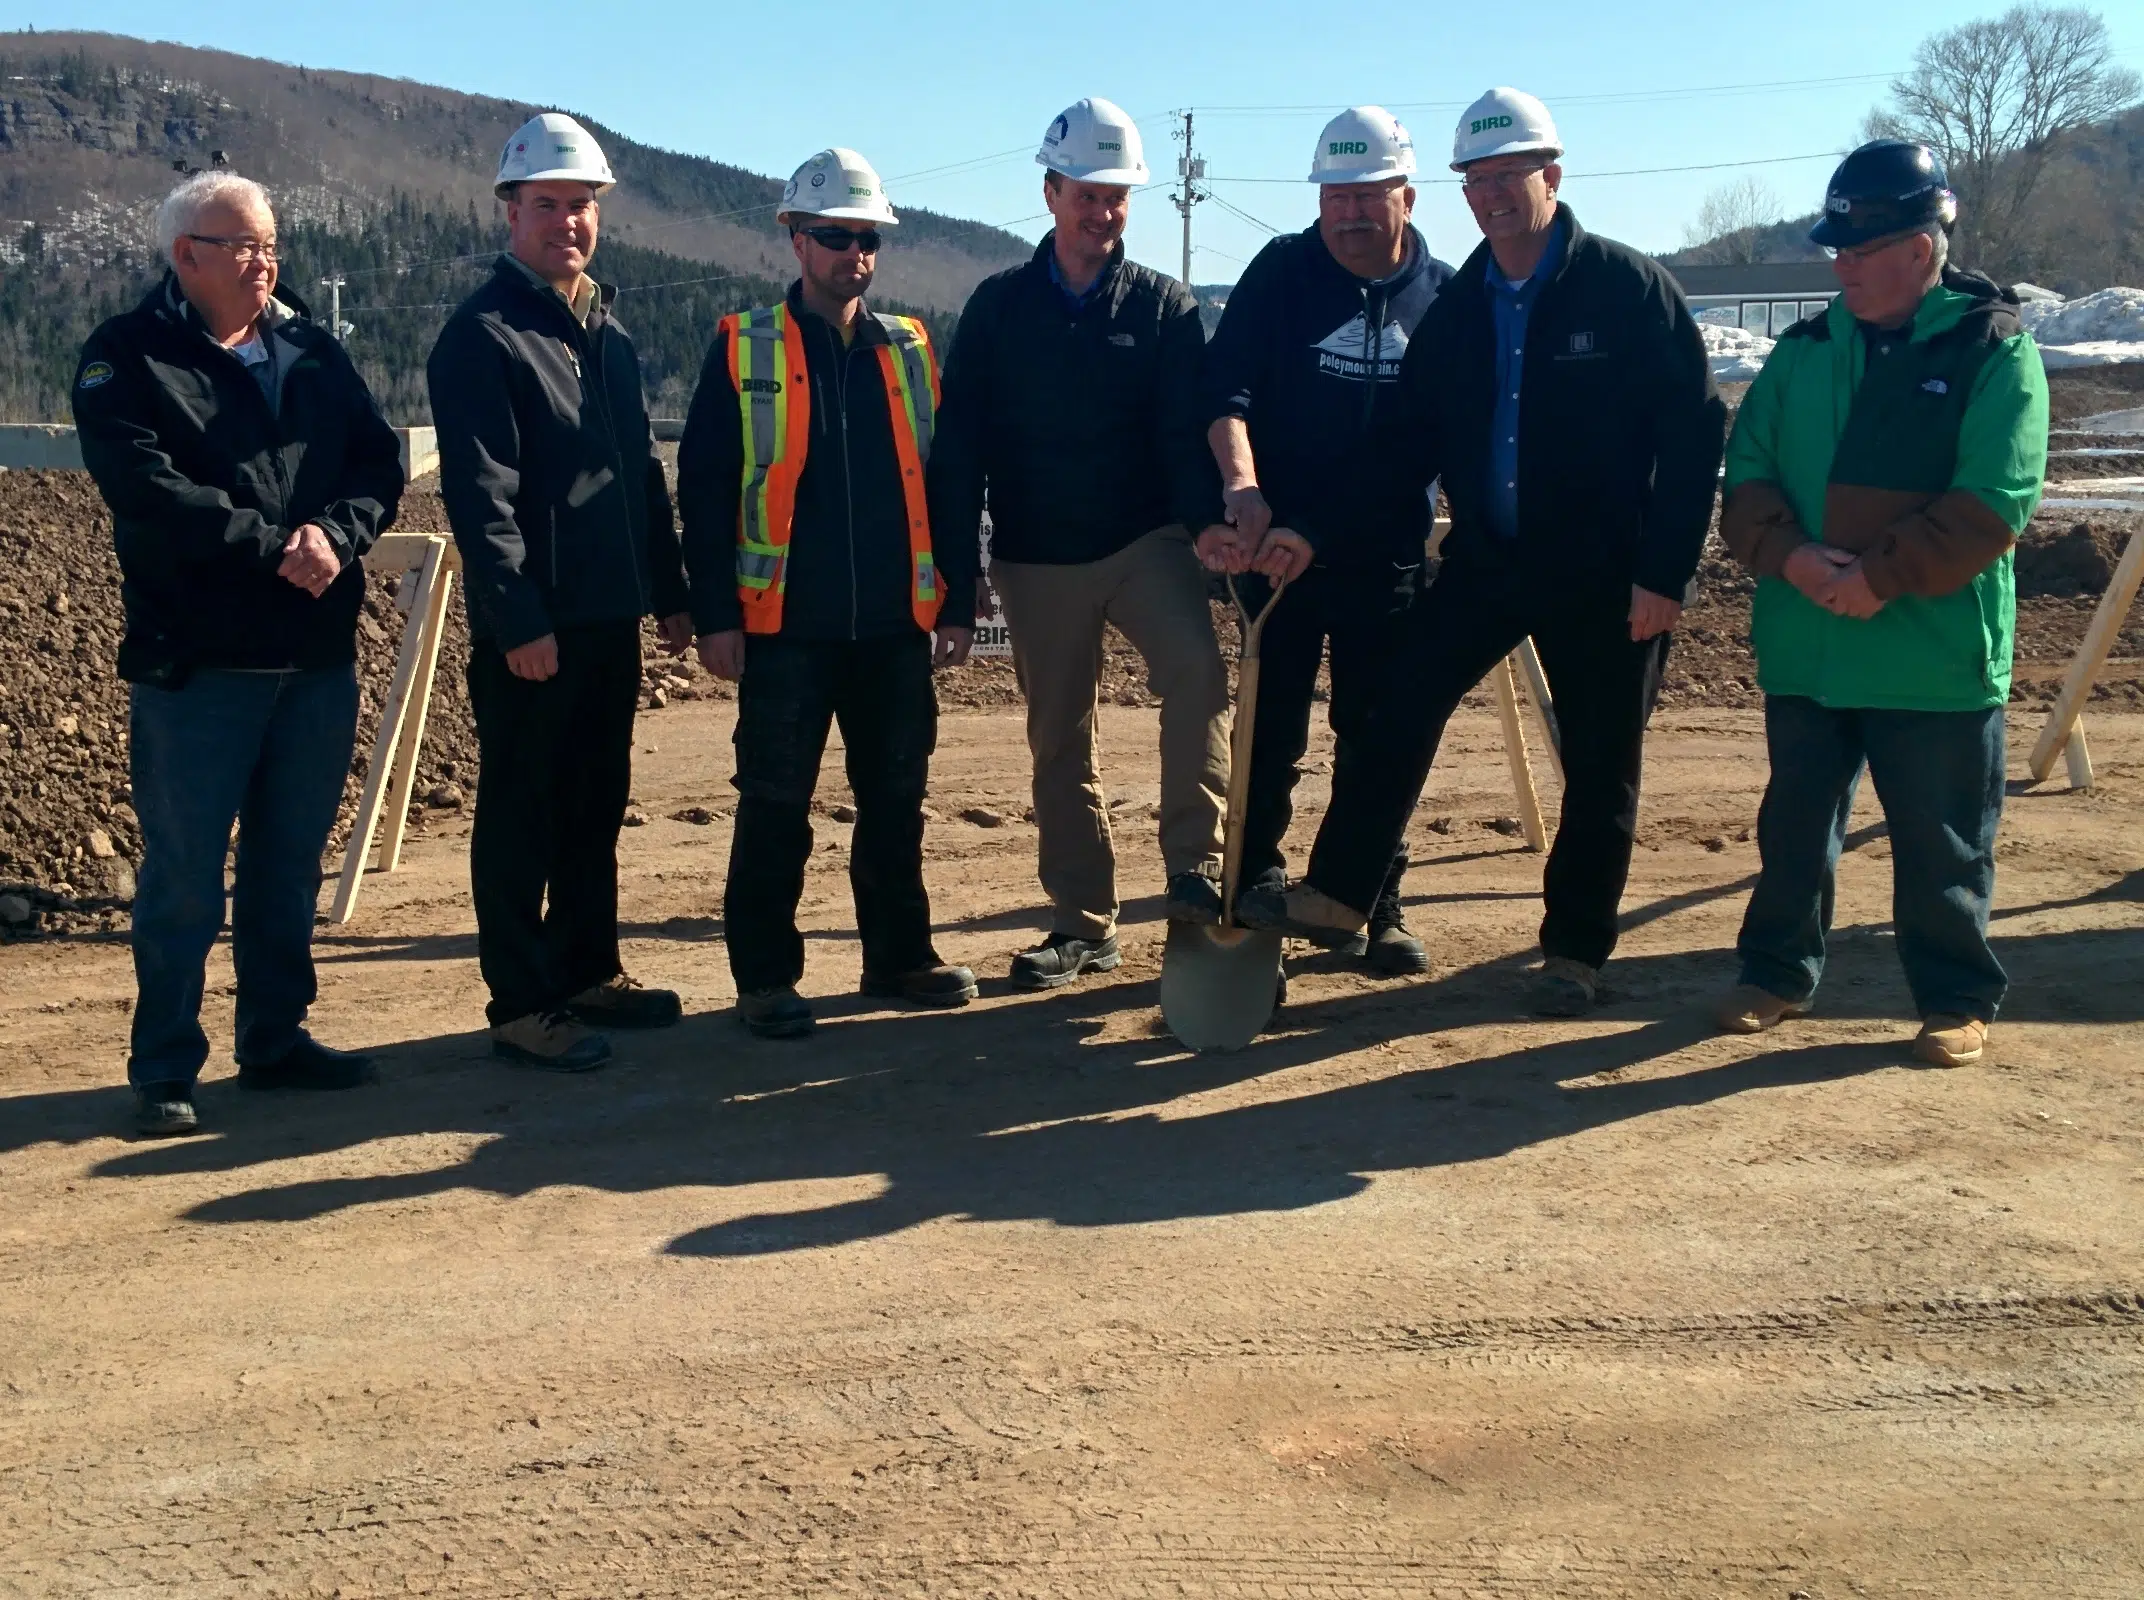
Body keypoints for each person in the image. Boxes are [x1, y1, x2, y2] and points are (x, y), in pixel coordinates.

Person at [1238, 87, 1726, 1017]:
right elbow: (1402, 449)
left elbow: (1696, 430)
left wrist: (1666, 572)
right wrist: (1311, 529)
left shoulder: (1625, 290)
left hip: (1605, 572)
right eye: (1478, 178)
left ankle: (1575, 951)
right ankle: (1344, 892)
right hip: (1491, 563)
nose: (1493, 194)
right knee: (1397, 703)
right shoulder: (1461, 307)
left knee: (1598, 764)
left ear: (1552, 175)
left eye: (1510, 175)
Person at [72, 171, 405, 1136]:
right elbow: (147, 489)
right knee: (183, 875)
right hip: (201, 664)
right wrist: (278, 548)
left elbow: (374, 461)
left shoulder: (309, 348)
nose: (266, 263)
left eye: (272, 246)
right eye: (246, 246)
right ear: (189, 256)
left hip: (313, 656)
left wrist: (337, 537)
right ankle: (166, 1063)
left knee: (287, 862)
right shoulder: (127, 358)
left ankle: (276, 1038)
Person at [1712, 142, 2047, 1068]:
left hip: (1930, 652)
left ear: (1924, 243)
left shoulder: (1994, 348)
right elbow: (1747, 476)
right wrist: (1791, 558)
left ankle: (1956, 996)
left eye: (1862, 248)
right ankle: (1776, 973)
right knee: (1794, 828)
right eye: (1838, 249)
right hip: (1810, 643)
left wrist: (1875, 577)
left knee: (1942, 841)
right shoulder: (1806, 351)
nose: (1842, 264)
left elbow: (1996, 499)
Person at [677, 148, 979, 1040]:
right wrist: (717, 615)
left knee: (895, 801)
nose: (856, 253)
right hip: (783, 629)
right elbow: (703, 486)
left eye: (867, 238)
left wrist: (957, 602)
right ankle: (765, 979)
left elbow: (949, 480)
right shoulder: (745, 344)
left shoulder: (911, 349)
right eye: (837, 236)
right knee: (774, 804)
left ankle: (899, 956)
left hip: (892, 625)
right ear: (797, 240)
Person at [928, 97, 1229, 991]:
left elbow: (1186, 433)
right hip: (1036, 556)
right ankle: (1083, 923)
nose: (1103, 211)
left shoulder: (1165, 306)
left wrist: (1210, 527)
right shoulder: (999, 308)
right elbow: (959, 452)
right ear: (1052, 192)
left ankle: (1193, 876)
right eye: (1087, 194)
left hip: (1147, 541)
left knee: (1199, 678)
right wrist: (957, 581)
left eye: (1117, 196)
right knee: (1061, 739)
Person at [428, 113, 694, 1072]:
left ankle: (587, 970)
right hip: (536, 627)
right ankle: (523, 1001)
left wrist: (669, 592)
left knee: (593, 802)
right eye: (548, 205)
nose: (568, 224)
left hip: (606, 617)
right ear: (511, 212)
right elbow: (482, 493)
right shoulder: (484, 337)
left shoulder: (608, 338)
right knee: (521, 814)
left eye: (581, 206)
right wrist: (516, 620)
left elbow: (637, 478)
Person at [1194, 106, 1454, 976]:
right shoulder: (1281, 274)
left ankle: (1375, 900)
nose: (1347, 215)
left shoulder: (1443, 297)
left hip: (1383, 557)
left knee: (1375, 738)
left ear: (1407, 197)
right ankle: (1254, 886)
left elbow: (1430, 438)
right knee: (1269, 735)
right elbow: (1226, 393)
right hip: (1277, 559)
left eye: (1367, 197)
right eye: (1334, 197)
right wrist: (1242, 485)